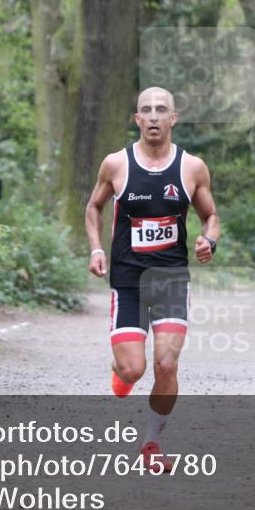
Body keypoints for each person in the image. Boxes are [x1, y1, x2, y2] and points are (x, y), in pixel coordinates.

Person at [85, 86, 220, 472]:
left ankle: (152, 442)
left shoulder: (192, 168)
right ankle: (120, 373)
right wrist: (96, 248)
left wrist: (208, 240)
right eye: (147, 110)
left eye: (162, 110)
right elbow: (93, 208)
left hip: (171, 278)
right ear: (138, 120)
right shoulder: (116, 164)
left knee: (165, 364)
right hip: (127, 280)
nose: (155, 116)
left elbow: (211, 216)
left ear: (173, 118)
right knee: (133, 369)